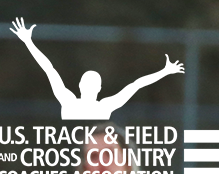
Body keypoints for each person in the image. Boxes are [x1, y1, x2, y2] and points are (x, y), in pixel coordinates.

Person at [11, 17, 184, 121]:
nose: (90, 85)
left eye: (93, 82)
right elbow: (49, 68)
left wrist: (165, 71)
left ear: (99, 87)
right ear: (80, 85)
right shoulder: (71, 101)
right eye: (88, 82)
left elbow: (136, 84)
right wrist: (28, 42)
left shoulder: (100, 106)